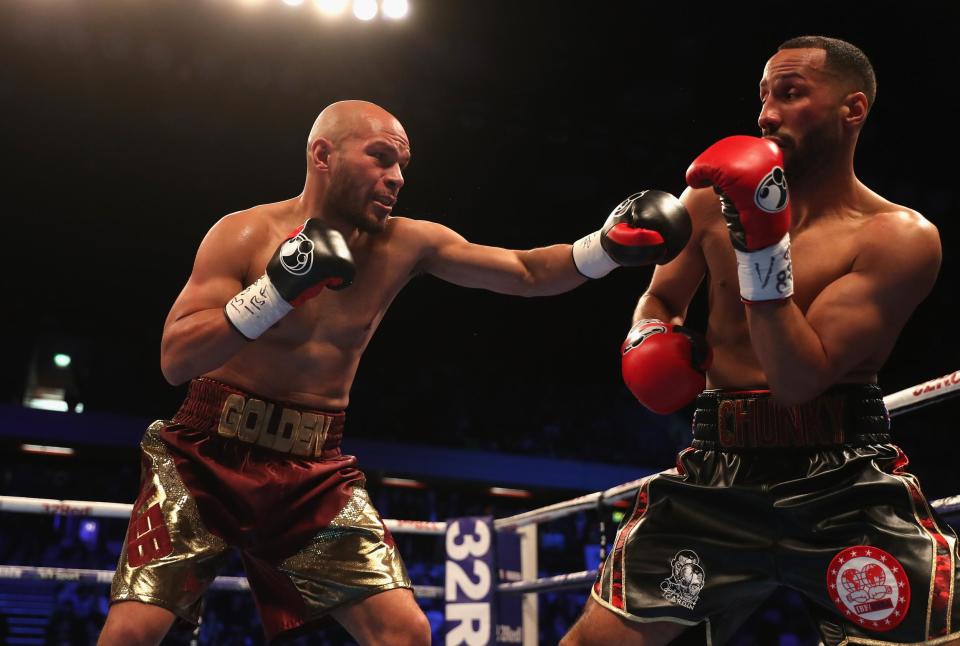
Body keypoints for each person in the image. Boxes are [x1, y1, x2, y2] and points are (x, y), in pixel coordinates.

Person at [96, 99, 692, 646]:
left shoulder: (408, 244)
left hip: (311, 469)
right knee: (132, 634)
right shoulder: (245, 232)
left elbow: (525, 271)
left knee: (405, 633)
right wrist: (275, 292)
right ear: (322, 155)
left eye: (403, 165)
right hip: (206, 454)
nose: (397, 178)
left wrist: (607, 246)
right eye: (380, 157)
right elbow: (177, 359)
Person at [561, 36, 959, 646]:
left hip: (842, 478)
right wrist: (649, 338)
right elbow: (661, 299)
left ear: (852, 110)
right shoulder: (706, 203)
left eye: (791, 93)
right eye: (765, 96)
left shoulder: (898, 237)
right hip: (715, 472)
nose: (768, 114)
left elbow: (798, 380)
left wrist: (759, 240)